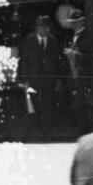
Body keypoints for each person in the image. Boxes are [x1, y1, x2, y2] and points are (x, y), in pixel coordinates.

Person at [16, 12, 70, 140]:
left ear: (48, 28)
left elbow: (59, 62)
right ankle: (26, 134)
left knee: (47, 106)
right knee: (31, 106)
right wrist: (24, 79)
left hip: (49, 80)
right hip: (33, 80)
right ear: (37, 28)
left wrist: (58, 80)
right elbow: (24, 61)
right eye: (40, 27)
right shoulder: (30, 40)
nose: (43, 29)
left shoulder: (53, 40)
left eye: (45, 27)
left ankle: (46, 133)